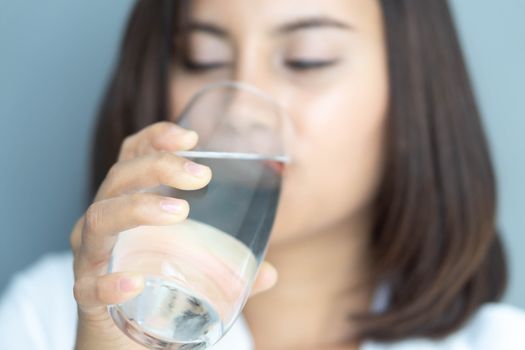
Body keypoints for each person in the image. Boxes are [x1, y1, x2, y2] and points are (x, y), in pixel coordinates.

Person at [1, 0, 524, 349]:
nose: (240, 110)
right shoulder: (56, 314)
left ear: (414, 89)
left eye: (307, 60)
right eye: (202, 59)